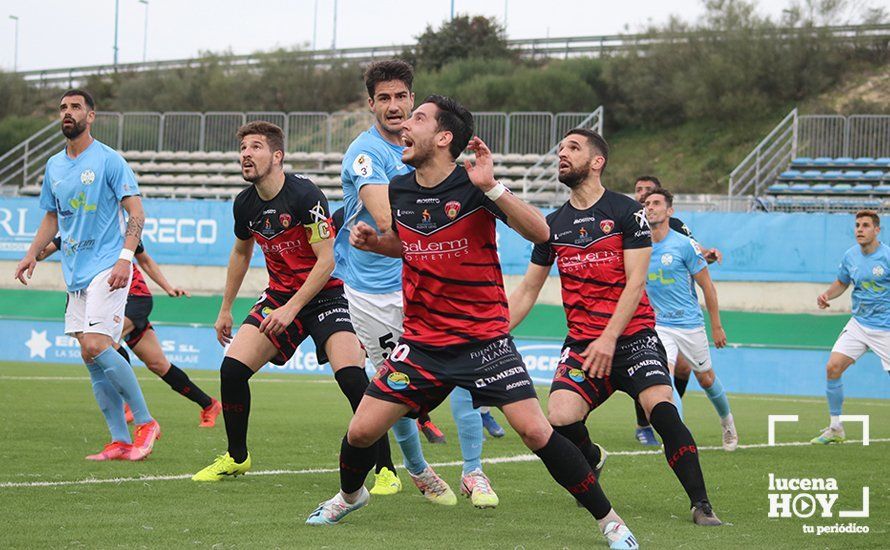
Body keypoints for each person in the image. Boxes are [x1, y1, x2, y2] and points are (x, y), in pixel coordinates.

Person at [307, 97, 639, 550]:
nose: (406, 122)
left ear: (444, 138)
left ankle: (611, 522)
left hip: (485, 342)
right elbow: (415, 245)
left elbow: (543, 232)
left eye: (418, 118)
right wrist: (379, 245)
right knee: (362, 430)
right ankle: (350, 495)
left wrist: (493, 187)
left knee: (537, 432)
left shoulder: (475, 186)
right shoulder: (400, 190)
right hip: (422, 344)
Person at [509, 128, 722, 526]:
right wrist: (491, 331)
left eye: (572, 148)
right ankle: (592, 459)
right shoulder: (550, 225)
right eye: (560, 150)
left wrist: (610, 338)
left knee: (663, 412)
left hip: (635, 338)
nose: (562, 154)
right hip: (583, 344)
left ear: (597, 161)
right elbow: (526, 290)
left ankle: (701, 505)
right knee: (559, 420)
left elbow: (636, 281)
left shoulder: (627, 213)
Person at [333, 60, 494, 506]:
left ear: (412, 98)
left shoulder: (428, 147)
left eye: (401, 96)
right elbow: (389, 222)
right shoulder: (365, 155)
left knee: (466, 373)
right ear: (371, 105)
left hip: (428, 283)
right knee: (394, 384)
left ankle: (474, 471)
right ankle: (419, 469)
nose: (394, 106)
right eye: (383, 98)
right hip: (374, 293)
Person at [191, 121, 379, 481]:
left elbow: (327, 260)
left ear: (277, 156)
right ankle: (236, 456)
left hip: (326, 293)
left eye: (256, 147)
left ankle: (386, 470)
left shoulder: (306, 196)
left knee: (353, 379)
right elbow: (240, 254)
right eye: (243, 147)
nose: (246, 153)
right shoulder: (244, 205)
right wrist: (226, 308)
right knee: (232, 370)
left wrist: (292, 309)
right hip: (279, 295)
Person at [14, 89, 160, 461]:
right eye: (63, 107)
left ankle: (145, 423)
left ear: (91, 116)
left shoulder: (109, 160)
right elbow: (51, 217)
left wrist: (126, 258)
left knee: (97, 344)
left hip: (108, 267)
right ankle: (119, 440)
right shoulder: (53, 166)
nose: (67, 112)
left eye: (75, 107)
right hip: (75, 273)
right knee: (88, 355)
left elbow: (136, 213)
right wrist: (32, 254)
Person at [37, 238, 222, 427]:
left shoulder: (120, 229)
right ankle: (209, 405)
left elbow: (145, 260)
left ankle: (129, 404)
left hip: (134, 298)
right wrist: (32, 252)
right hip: (106, 301)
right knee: (158, 364)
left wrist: (168, 288)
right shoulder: (74, 229)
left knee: (103, 343)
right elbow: (42, 252)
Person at [642, 188, 738, 451]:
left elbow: (708, 287)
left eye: (656, 203)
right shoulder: (640, 246)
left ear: (669, 211)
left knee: (706, 379)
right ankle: (678, 439)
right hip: (660, 326)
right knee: (665, 379)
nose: (650, 207)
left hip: (690, 324)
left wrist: (716, 325)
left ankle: (727, 421)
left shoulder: (685, 245)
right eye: (647, 203)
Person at [812, 210, 890, 444]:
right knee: (833, 367)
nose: (859, 229)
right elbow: (842, 282)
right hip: (859, 324)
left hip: (886, 328)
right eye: (857, 225)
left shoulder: (887, 257)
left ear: (877, 230)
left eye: (865, 225)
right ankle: (836, 428)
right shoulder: (851, 256)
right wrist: (827, 295)